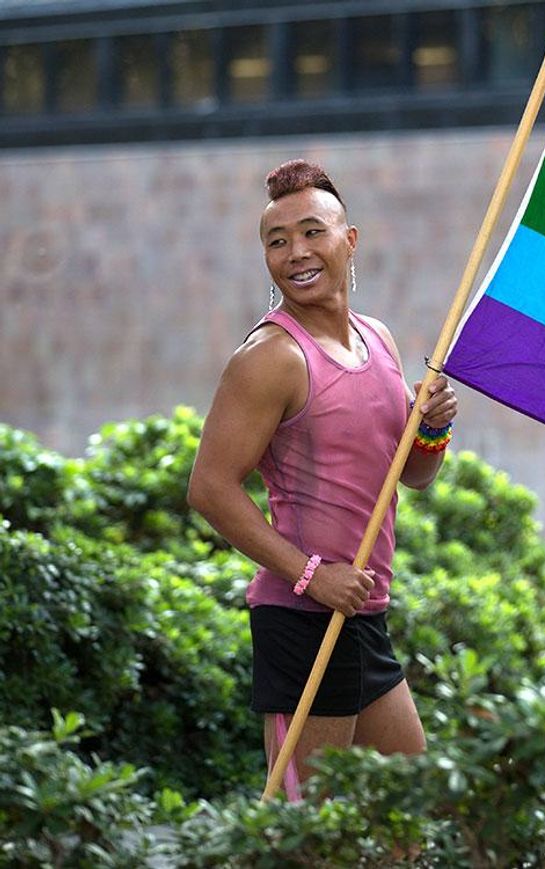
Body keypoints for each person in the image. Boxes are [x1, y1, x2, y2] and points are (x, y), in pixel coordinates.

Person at [187, 159, 457, 799]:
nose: (295, 253)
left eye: (311, 232)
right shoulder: (271, 358)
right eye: (276, 242)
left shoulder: (378, 339)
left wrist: (433, 428)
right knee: (307, 836)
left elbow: (412, 475)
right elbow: (210, 488)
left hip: (365, 613)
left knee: (406, 822)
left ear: (350, 239)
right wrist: (313, 575)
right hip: (304, 621)